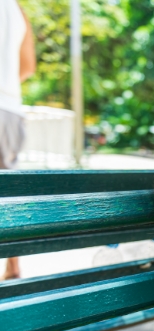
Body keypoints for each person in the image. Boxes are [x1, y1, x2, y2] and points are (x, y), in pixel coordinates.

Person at [0, 0, 36, 281]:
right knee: (6, 192)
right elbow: (27, 67)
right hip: (9, 108)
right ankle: (12, 268)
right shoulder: (16, 9)